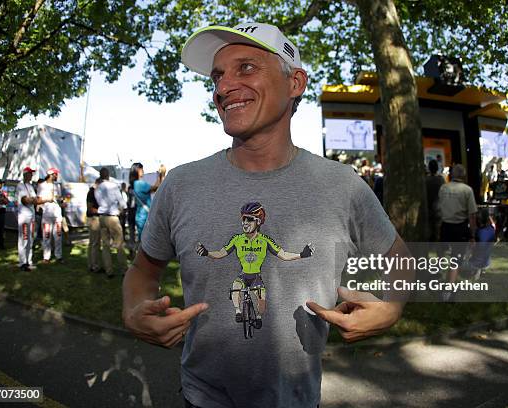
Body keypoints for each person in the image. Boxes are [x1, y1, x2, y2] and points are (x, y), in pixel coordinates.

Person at [122, 22, 412, 408]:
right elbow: (143, 271)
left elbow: (401, 259)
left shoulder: (342, 186)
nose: (223, 88)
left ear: (295, 83)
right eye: (218, 76)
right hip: (201, 398)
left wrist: (391, 308)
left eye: (246, 68)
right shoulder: (180, 184)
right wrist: (133, 311)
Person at [196, 202, 314, 328]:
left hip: (256, 277)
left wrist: (301, 255)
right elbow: (221, 253)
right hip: (243, 276)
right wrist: (207, 253)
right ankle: (238, 312)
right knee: (236, 287)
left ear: (258, 221)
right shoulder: (237, 239)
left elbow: (283, 255)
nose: (245, 223)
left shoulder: (265, 240)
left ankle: (258, 317)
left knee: (261, 300)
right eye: (243, 219)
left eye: (249, 219)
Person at [438, 164, 478, 301]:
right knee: (456, 260)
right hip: (460, 228)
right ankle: (449, 293)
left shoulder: (443, 188)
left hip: (445, 227)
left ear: (452, 174)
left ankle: (442, 284)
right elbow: (472, 215)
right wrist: (472, 235)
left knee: (442, 257)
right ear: (464, 175)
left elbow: (438, 207)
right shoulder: (467, 190)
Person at [95, 167, 127, 278]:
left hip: (102, 217)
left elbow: (98, 202)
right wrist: (121, 210)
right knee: (119, 244)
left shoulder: (98, 188)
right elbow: (122, 202)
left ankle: (109, 270)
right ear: (108, 175)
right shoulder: (113, 186)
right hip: (113, 217)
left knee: (105, 245)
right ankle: (124, 269)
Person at [128, 162, 165, 241]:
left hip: (140, 216)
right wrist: (161, 175)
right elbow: (156, 188)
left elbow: (154, 189)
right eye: (141, 169)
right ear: (136, 170)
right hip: (144, 216)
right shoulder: (139, 184)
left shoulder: (134, 184)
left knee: (144, 242)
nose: (143, 170)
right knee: (147, 242)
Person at [37, 168, 63, 263]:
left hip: (57, 215)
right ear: (51, 175)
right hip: (47, 215)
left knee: (58, 236)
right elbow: (38, 200)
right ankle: (46, 257)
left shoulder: (57, 186)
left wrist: (61, 201)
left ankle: (58, 256)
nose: (57, 176)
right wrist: (47, 199)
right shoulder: (42, 186)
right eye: (56, 174)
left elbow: (59, 199)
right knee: (46, 236)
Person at [16, 167, 39, 270]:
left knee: (31, 239)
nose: (31, 175)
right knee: (24, 239)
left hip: (31, 216)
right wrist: (32, 200)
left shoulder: (30, 186)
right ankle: (22, 263)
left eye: (32, 174)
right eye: (30, 173)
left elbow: (35, 200)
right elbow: (25, 200)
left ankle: (29, 261)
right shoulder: (20, 186)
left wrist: (33, 200)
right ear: (25, 174)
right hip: (24, 216)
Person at [425, 159, 445, 242]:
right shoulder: (441, 180)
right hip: (439, 209)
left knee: (429, 232)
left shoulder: (425, 180)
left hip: (428, 209)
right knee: (438, 233)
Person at [86, 178, 102, 273]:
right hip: (93, 219)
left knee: (94, 243)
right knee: (94, 243)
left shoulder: (95, 192)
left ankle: (93, 264)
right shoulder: (92, 192)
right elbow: (90, 209)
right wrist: (102, 210)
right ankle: (93, 265)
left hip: (96, 218)